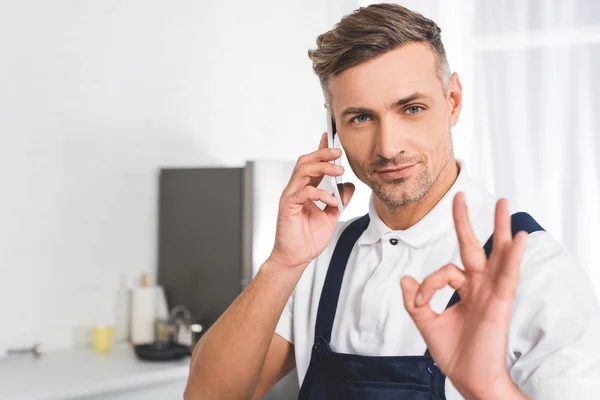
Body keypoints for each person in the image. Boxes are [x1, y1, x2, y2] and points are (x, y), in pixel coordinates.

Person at [184, 3, 600, 399]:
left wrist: (488, 387)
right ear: (333, 127)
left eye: (412, 108)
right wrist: (282, 262)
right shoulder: (317, 258)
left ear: (452, 100)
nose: (388, 147)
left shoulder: (533, 267)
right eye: (361, 118)